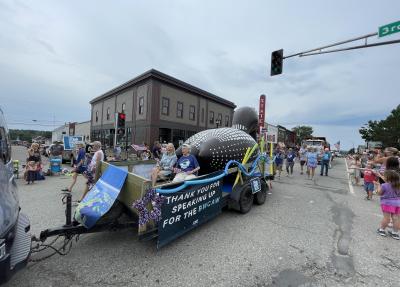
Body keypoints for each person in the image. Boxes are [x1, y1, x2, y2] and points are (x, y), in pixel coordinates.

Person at [376, 170, 400, 240]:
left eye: (385, 176)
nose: (384, 177)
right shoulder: (398, 185)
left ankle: (382, 230)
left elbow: (379, 193)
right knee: (396, 219)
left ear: (388, 178)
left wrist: (378, 186)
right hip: (397, 204)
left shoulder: (384, 185)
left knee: (386, 218)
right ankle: (395, 233)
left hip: (387, 203)